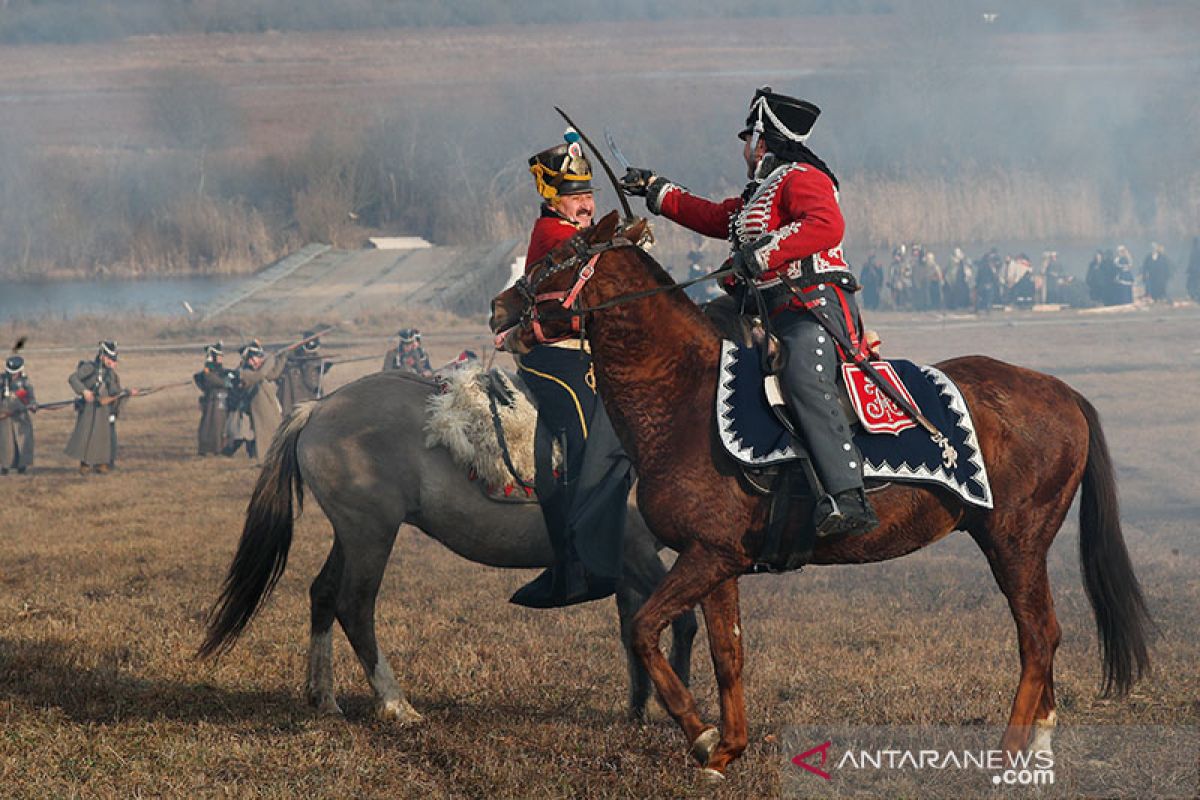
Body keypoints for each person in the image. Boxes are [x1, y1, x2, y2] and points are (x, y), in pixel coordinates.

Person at [622, 86, 878, 537]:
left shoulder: (803, 176)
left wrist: (762, 255)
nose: (743, 149)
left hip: (810, 306)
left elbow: (826, 225)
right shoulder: (761, 192)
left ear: (762, 141)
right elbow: (716, 217)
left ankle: (846, 494)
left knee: (802, 372)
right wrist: (656, 191)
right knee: (691, 334)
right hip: (761, 307)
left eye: (747, 139)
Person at [506, 129, 632, 608]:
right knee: (583, 438)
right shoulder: (555, 235)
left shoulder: (581, 234)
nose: (584, 204)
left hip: (585, 352)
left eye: (588, 194)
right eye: (574, 196)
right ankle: (572, 557)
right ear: (553, 201)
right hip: (553, 354)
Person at [65, 341, 137, 474]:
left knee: (105, 437)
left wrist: (127, 393)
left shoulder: (112, 375)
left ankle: (102, 463)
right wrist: (84, 392)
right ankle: (85, 464)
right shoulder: (89, 368)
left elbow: (115, 392)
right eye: (110, 359)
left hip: (105, 411)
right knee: (87, 436)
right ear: (102, 356)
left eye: (113, 360)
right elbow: (73, 378)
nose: (112, 362)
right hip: (89, 409)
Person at [223, 340, 286, 461]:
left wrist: (282, 357)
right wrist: (271, 358)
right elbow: (261, 374)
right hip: (256, 411)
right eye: (252, 359)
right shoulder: (244, 373)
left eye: (257, 358)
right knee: (257, 437)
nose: (255, 361)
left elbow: (273, 374)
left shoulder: (256, 370)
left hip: (270, 408)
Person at [278, 330, 331, 411]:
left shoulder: (316, 357)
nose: (310, 353)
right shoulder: (291, 359)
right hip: (294, 400)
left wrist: (324, 369)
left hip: (310, 398)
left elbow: (314, 377)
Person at [0, 355, 36, 475]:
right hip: (4, 417)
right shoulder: (1, 381)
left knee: (23, 442)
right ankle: (5, 466)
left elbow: (31, 398)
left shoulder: (25, 382)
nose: (13, 375)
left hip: (21, 416)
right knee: (6, 443)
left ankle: (22, 466)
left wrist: (33, 405)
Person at [193, 341, 230, 456]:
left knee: (220, 426)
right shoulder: (207, 370)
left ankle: (218, 448)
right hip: (212, 401)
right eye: (218, 356)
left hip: (221, 399)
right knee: (208, 425)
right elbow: (209, 379)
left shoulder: (221, 370)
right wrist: (224, 382)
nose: (220, 358)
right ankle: (205, 449)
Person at [1187, 237, 1200, 303]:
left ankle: (1195, 295)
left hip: (1195, 271)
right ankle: (1194, 295)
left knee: (1194, 283)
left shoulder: (1195, 251)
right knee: (1193, 282)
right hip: (1195, 270)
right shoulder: (1195, 250)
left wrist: (1189, 269)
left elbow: (1192, 261)